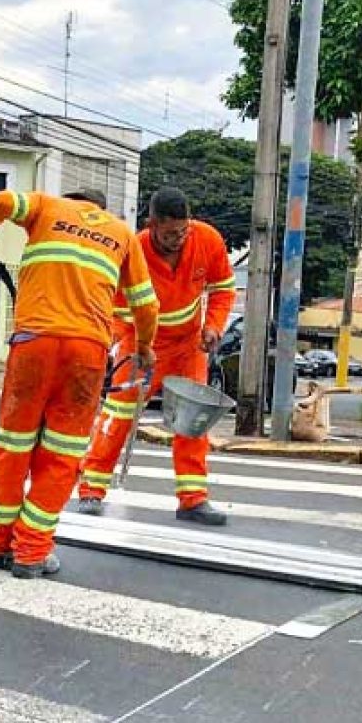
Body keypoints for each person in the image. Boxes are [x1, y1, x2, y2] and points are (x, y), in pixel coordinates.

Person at [0, 187, 158, 579]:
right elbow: (147, 304)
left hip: (33, 343)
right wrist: (145, 348)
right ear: (98, 208)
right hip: (85, 354)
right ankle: (31, 552)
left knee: (14, 447)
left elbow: (2, 201)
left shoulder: (46, 207)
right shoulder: (121, 233)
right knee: (61, 455)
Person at [78, 187, 236, 526]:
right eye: (169, 234)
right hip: (139, 341)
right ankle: (92, 487)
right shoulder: (132, 250)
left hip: (189, 344)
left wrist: (213, 327)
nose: (177, 239)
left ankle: (193, 499)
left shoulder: (207, 239)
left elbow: (223, 289)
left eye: (183, 231)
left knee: (194, 420)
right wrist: (141, 346)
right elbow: (119, 307)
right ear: (152, 225)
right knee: (120, 414)